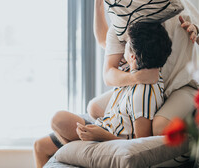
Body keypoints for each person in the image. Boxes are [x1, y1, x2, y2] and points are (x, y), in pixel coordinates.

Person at [33, 21, 172, 168]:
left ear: (133, 57)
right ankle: (77, 152)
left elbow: (140, 148)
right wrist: (99, 3)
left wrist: (101, 136)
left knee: (58, 119)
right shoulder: (138, 69)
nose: (124, 45)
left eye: (127, 43)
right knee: (39, 146)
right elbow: (102, 40)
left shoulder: (143, 94)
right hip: (104, 127)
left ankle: (80, 156)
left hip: (107, 141)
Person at [88, 0, 199, 136]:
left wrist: (197, 31)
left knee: (159, 127)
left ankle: (193, 124)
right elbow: (106, 58)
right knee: (94, 108)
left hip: (182, 86)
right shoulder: (123, 21)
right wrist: (136, 78)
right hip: (146, 84)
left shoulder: (177, 2)